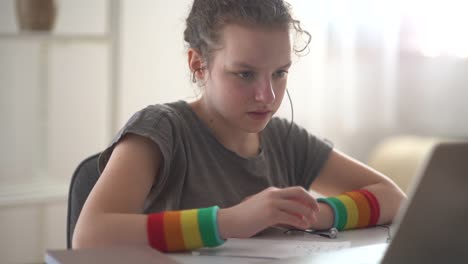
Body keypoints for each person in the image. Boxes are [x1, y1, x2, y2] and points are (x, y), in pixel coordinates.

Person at [73, 0, 406, 252]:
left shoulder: (285, 139)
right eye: (245, 74)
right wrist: (231, 221)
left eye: (280, 72)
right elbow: (90, 236)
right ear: (198, 65)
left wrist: (315, 214)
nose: (268, 95)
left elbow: (393, 198)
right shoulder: (162, 129)